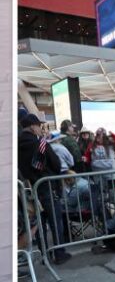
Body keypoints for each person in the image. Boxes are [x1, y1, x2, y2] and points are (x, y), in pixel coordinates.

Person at [18, 113, 72, 265]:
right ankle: (59, 253)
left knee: (39, 224)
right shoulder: (40, 144)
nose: (41, 129)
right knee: (55, 221)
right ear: (32, 126)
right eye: (39, 126)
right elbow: (56, 164)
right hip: (47, 187)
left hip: (28, 190)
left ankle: (44, 255)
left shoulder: (16, 145)